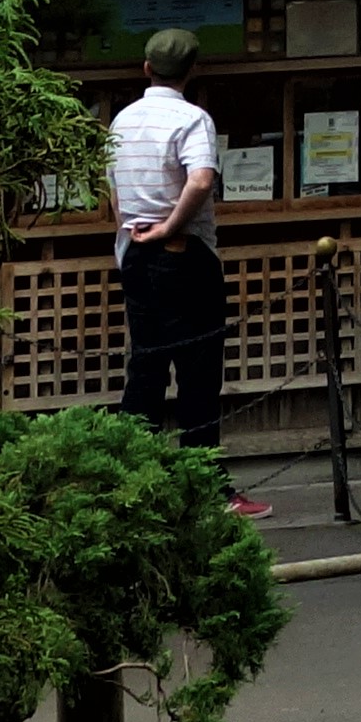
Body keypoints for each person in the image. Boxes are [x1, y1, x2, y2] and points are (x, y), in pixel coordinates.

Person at [105, 28, 267, 518]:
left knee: (146, 368)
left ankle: (132, 479)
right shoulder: (192, 118)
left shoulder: (122, 120)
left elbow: (111, 184)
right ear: (193, 70)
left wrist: (129, 231)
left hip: (133, 250)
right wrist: (171, 224)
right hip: (184, 251)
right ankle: (206, 487)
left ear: (146, 68)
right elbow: (200, 179)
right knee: (199, 374)